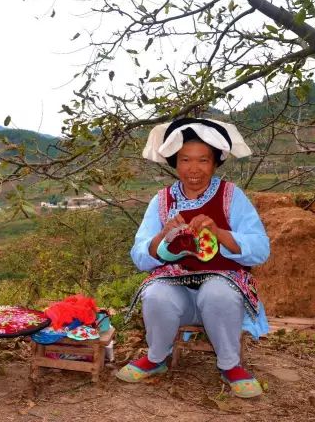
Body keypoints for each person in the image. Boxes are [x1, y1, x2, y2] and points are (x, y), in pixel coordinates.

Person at [115, 118, 270, 399]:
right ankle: (157, 357)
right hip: (180, 298)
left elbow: (260, 248)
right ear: (175, 162)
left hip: (221, 293)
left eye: (203, 160)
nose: (194, 169)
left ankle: (230, 365)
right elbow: (140, 255)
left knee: (218, 291)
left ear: (215, 163)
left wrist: (219, 232)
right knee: (156, 293)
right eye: (185, 160)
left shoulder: (231, 196)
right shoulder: (161, 201)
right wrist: (162, 235)